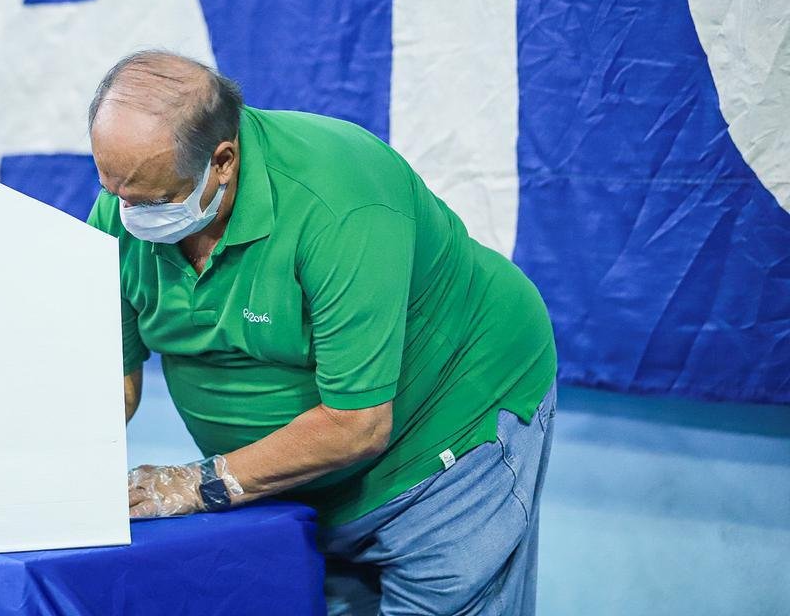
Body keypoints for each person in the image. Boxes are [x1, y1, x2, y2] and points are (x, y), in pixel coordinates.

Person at [86, 50, 557, 616]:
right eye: (114, 192)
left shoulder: (342, 206)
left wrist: (201, 483)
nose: (128, 214)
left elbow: (356, 425)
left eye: (152, 200)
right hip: (286, 486)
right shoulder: (129, 202)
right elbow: (112, 378)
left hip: (444, 437)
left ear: (223, 160)